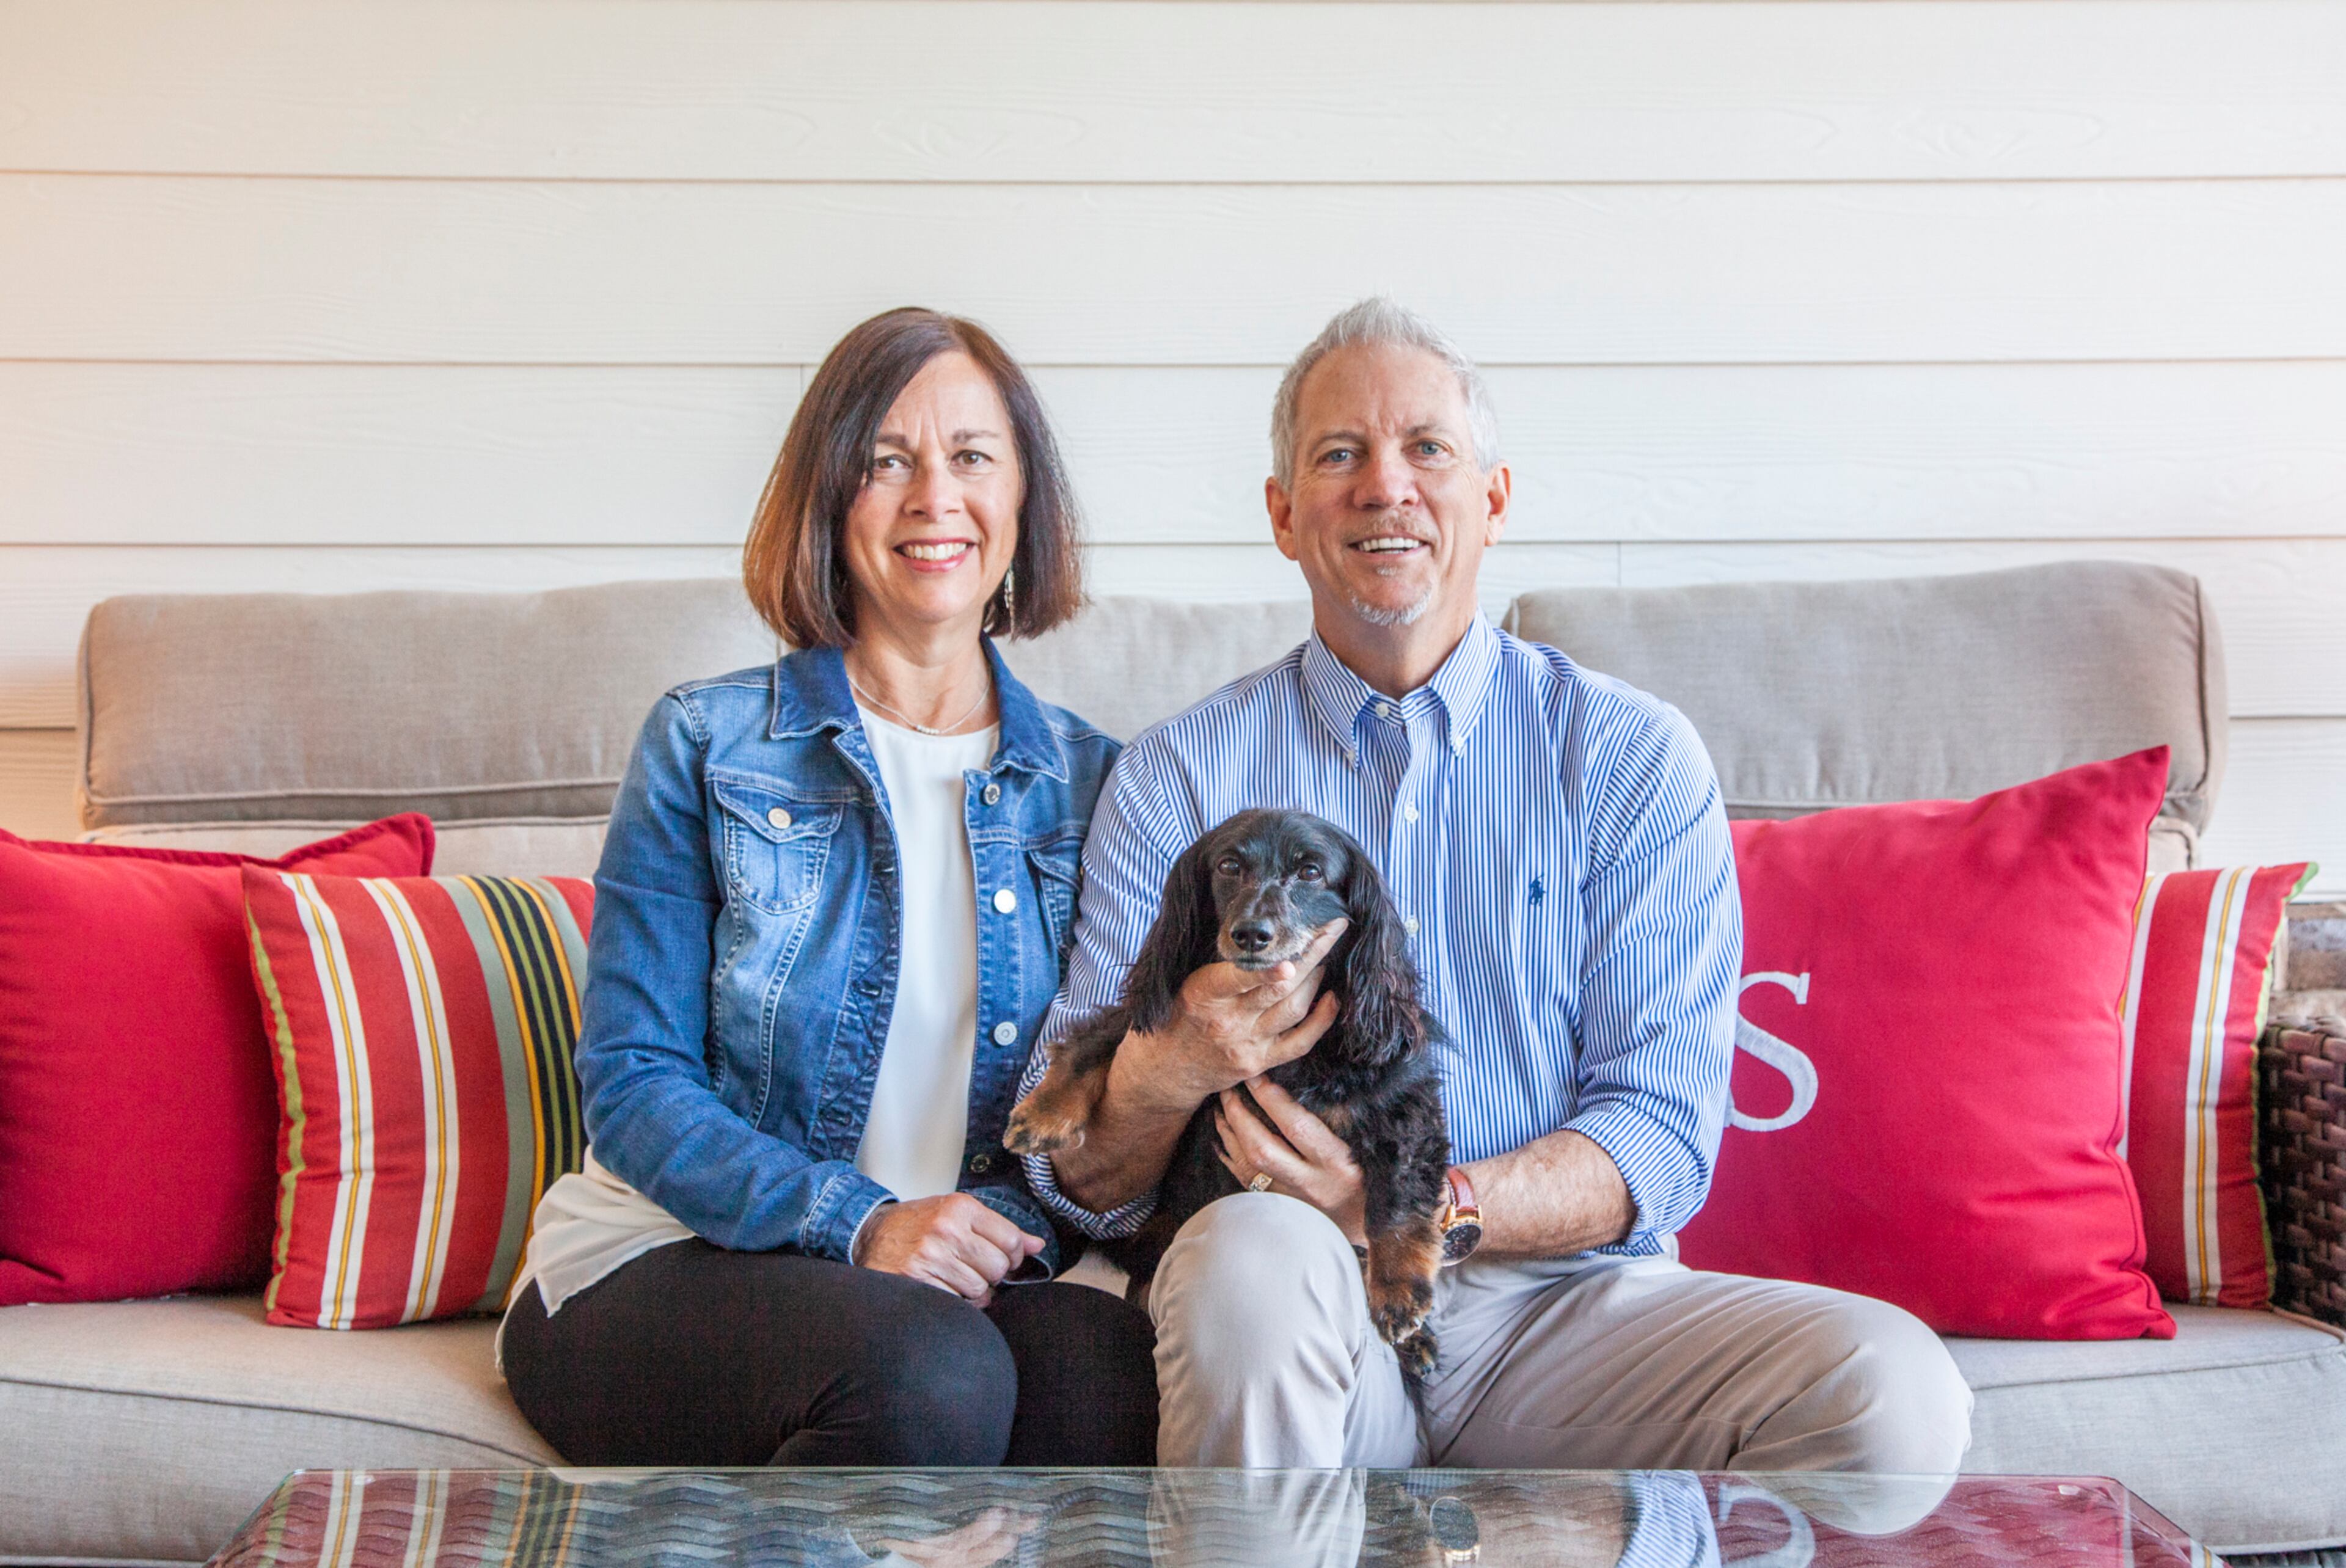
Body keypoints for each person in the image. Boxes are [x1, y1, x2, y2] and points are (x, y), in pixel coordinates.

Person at [1019, 297, 1973, 1483]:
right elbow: (1078, 1180)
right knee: (1245, 1257)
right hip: (1292, 1296)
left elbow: (1662, 1134)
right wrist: (1171, 1070)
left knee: (1893, 1398)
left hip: (1562, 1312)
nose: (1386, 486)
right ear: (1283, 514)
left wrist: (1414, 1207)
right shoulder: (1179, 775)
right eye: (1339, 454)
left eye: (1427, 448)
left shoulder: (1630, 757)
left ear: (1494, 498)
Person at [500, 307, 1157, 1468]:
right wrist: (862, 1226)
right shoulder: (706, 744)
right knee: (930, 1374)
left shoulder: (1095, 786)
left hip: (942, 1285)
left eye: (972, 457)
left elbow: (1094, 1116)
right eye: (886, 462)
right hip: (667, 1258)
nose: (934, 497)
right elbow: (635, 1083)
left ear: (1023, 499)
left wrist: (982, 1237)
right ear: (828, 497)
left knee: (1112, 1375)